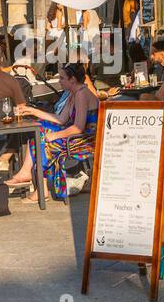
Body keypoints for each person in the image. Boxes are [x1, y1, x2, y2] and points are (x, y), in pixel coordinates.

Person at [8, 61, 99, 199]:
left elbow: (78, 128)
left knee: (44, 142)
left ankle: (38, 185)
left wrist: (55, 135)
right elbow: (61, 119)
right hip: (74, 134)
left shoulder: (81, 94)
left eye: (62, 78)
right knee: (38, 128)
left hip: (84, 140)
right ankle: (31, 178)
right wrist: (32, 110)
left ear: (72, 80)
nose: (59, 81)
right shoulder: (74, 93)